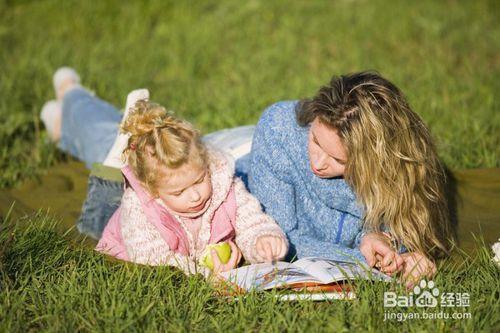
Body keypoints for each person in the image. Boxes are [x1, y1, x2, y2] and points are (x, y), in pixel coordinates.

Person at [40, 68, 288, 276]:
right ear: (152, 190)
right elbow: (153, 259)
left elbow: (251, 220)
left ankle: (62, 126)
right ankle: (72, 92)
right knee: (96, 215)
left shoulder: (223, 181)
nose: (195, 196)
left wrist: (262, 241)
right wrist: (205, 272)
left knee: (100, 138)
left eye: (199, 181)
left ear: (205, 164)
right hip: (118, 230)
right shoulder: (140, 208)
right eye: (179, 191)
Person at [239, 72, 455, 284]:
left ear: (375, 161)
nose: (318, 163)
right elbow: (277, 235)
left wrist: (389, 245)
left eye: (338, 160)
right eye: (315, 140)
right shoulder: (279, 131)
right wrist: (365, 260)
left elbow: (402, 226)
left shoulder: (396, 174)